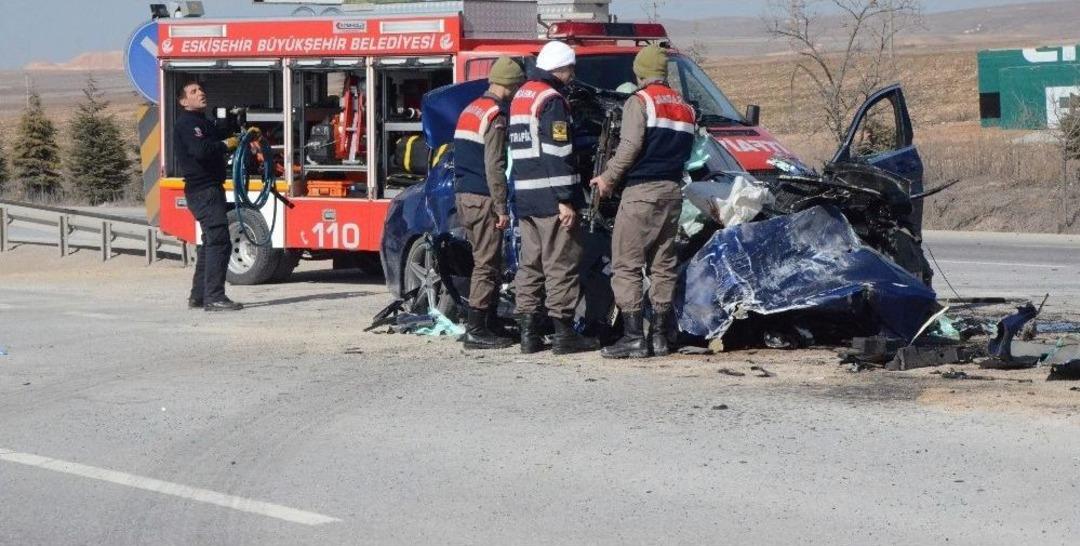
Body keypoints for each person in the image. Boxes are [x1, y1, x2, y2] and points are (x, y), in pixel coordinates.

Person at [590, 45, 696, 358]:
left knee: (626, 264)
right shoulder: (685, 108)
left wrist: (607, 178)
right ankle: (660, 338)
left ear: (640, 72)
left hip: (641, 193)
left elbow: (631, 145)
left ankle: (634, 338)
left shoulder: (640, 101)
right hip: (672, 193)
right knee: (663, 266)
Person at [508, 41, 600, 355]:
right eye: (570, 69)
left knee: (530, 265)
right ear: (561, 67)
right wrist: (566, 199)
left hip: (526, 197)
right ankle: (564, 334)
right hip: (551, 197)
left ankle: (528, 335)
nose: (572, 76)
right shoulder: (552, 100)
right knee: (561, 263)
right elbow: (558, 152)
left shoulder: (523, 95)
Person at [454, 57, 526, 350]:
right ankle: (477, 329)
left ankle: (488, 322)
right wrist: (501, 207)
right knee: (487, 264)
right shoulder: (496, 115)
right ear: (510, 85)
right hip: (483, 197)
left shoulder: (471, 109)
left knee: (482, 261)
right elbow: (495, 165)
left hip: (464, 196)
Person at [174, 81, 248, 311]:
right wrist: (226, 145)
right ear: (184, 101)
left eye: (201, 90)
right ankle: (214, 297)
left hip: (210, 188)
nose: (201, 93)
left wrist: (242, 136)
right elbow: (201, 150)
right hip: (203, 190)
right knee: (219, 241)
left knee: (209, 243)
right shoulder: (187, 124)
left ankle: (198, 296)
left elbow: (217, 138)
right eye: (193, 92)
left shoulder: (202, 122)